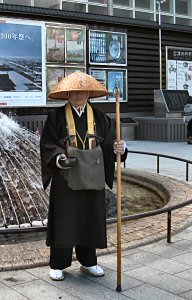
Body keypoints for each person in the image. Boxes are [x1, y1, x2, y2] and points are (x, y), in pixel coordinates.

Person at [40, 72, 127, 281]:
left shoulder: (100, 116)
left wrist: (119, 148)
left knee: (90, 218)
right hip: (67, 176)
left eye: (82, 92)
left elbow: (109, 142)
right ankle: (58, 263)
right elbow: (48, 143)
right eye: (74, 92)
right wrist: (58, 157)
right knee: (64, 219)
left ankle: (89, 261)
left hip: (92, 175)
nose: (78, 95)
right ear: (68, 94)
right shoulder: (55, 117)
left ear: (89, 93)